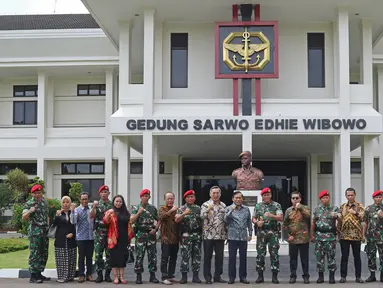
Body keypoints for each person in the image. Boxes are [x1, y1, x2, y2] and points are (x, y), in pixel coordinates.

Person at [252, 187, 283, 284]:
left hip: (273, 232)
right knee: (260, 254)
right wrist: (257, 222)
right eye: (264, 195)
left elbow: (280, 217)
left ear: (271, 195)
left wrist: (271, 216)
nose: (266, 196)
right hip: (261, 233)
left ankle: (274, 276)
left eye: (268, 195)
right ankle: (260, 276)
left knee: (274, 255)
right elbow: (253, 218)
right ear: (262, 196)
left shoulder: (276, 205)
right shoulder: (258, 206)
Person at [22, 184, 50, 284]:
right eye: (36, 193)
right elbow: (24, 217)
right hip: (35, 232)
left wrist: (48, 226)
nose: (38, 195)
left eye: (39, 193)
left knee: (43, 253)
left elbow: (46, 215)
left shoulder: (44, 202)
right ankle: (33, 276)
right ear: (32, 194)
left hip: (44, 232)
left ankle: (39, 273)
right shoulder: (29, 203)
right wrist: (30, 211)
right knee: (35, 253)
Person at [311, 190, 341, 284]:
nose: (325, 199)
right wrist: (312, 235)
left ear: (329, 198)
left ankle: (332, 277)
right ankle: (321, 277)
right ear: (320, 199)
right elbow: (313, 223)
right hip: (319, 236)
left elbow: (341, 218)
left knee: (331, 257)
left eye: (327, 197)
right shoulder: (317, 209)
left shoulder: (334, 208)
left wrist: (336, 215)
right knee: (319, 257)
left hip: (330, 237)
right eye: (323, 198)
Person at [130, 189, 160, 284]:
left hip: (151, 235)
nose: (145, 197)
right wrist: (139, 212)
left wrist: (155, 229)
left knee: (153, 256)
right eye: (143, 196)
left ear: (149, 197)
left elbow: (159, 219)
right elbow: (131, 221)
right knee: (139, 256)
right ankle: (138, 276)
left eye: (147, 196)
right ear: (140, 197)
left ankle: (152, 275)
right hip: (140, 235)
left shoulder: (152, 208)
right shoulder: (136, 207)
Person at [337, 188, 364, 283]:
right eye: (348, 195)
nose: (350, 197)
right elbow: (340, 221)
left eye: (352, 195)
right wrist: (338, 233)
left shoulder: (359, 206)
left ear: (355, 195)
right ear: (346, 196)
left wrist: (355, 213)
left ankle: (358, 277)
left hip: (356, 236)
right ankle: (343, 277)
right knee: (344, 257)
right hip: (344, 236)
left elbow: (363, 217)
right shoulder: (342, 206)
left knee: (357, 257)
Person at [224, 191, 252, 284]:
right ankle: (231, 277)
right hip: (232, 237)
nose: (238, 199)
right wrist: (231, 211)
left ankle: (243, 277)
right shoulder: (228, 208)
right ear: (233, 199)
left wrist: (251, 233)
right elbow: (225, 220)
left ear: (242, 199)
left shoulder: (246, 209)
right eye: (236, 198)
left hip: (243, 236)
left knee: (243, 257)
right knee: (232, 258)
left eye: (240, 198)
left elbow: (248, 222)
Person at [200, 186, 227, 284]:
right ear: (210, 194)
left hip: (220, 235)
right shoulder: (205, 204)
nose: (216, 195)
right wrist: (208, 209)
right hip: (208, 235)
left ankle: (218, 276)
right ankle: (207, 277)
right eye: (214, 193)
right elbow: (201, 217)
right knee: (208, 256)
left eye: (217, 193)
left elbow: (225, 220)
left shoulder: (223, 205)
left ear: (220, 194)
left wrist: (226, 234)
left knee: (219, 257)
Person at [283, 191, 311, 284]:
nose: (295, 200)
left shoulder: (305, 208)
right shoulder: (288, 210)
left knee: (305, 259)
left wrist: (301, 208)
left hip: (303, 238)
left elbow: (308, 216)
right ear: (291, 200)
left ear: (300, 199)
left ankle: (306, 276)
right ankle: (293, 276)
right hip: (293, 239)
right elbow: (285, 225)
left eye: (297, 198)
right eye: (293, 198)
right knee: (293, 259)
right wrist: (288, 236)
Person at [175, 190, 202, 284]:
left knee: (197, 256)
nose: (190, 198)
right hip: (186, 236)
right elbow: (176, 220)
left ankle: (196, 276)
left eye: (192, 197)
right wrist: (184, 214)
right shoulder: (181, 208)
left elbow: (202, 222)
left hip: (197, 235)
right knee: (185, 256)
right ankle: (184, 277)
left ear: (194, 198)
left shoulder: (198, 208)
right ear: (185, 198)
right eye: (188, 197)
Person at [103, 195, 131, 284]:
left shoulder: (126, 212)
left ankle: (122, 277)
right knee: (114, 258)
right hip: (113, 238)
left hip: (123, 238)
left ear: (122, 203)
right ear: (113, 202)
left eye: (120, 201)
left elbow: (129, 223)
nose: (118, 203)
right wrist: (109, 214)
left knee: (122, 258)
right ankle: (115, 277)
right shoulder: (110, 211)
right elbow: (105, 221)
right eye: (116, 201)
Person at [90, 185, 113, 283]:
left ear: (109, 193)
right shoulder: (96, 204)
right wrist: (94, 207)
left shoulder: (112, 205)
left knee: (109, 254)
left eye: (106, 192)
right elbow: (91, 216)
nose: (104, 194)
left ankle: (107, 275)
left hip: (109, 232)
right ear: (99, 194)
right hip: (99, 232)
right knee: (98, 254)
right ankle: (99, 275)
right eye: (102, 192)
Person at [70, 192, 94, 283]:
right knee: (81, 257)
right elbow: (73, 221)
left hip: (90, 236)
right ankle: (81, 275)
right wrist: (72, 211)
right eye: (83, 199)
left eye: (86, 199)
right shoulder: (77, 210)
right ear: (80, 200)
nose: (84, 201)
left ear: (88, 200)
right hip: (80, 237)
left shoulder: (91, 209)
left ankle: (89, 274)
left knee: (90, 257)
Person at [53, 196, 77, 283]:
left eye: (67, 202)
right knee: (61, 259)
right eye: (64, 202)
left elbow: (76, 225)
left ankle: (70, 277)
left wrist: (73, 234)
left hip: (71, 240)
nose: (65, 204)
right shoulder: (59, 213)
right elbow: (54, 224)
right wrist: (56, 215)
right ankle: (62, 277)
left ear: (70, 203)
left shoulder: (73, 213)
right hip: (61, 239)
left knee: (71, 258)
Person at [159, 192, 179, 285]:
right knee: (165, 258)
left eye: (171, 198)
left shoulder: (177, 209)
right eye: (168, 199)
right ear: (165, 200)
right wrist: (171, 211)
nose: (170, 200)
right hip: (166, 238)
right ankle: (164, 276)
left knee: (173, 258)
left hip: (175, 238)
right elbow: (162, 217)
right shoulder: (162, 209)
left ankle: (171, 275)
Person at [363, 190, 383, 283]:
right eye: (376, 197)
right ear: (373, 198)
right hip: (371, 236)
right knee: (371, 255)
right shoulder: (368, 209)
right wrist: (363, 234)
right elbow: (365, 222)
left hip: (382, 236)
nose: (378, 199)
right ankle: (372, 275)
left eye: (380, 197)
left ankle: (382, 275)